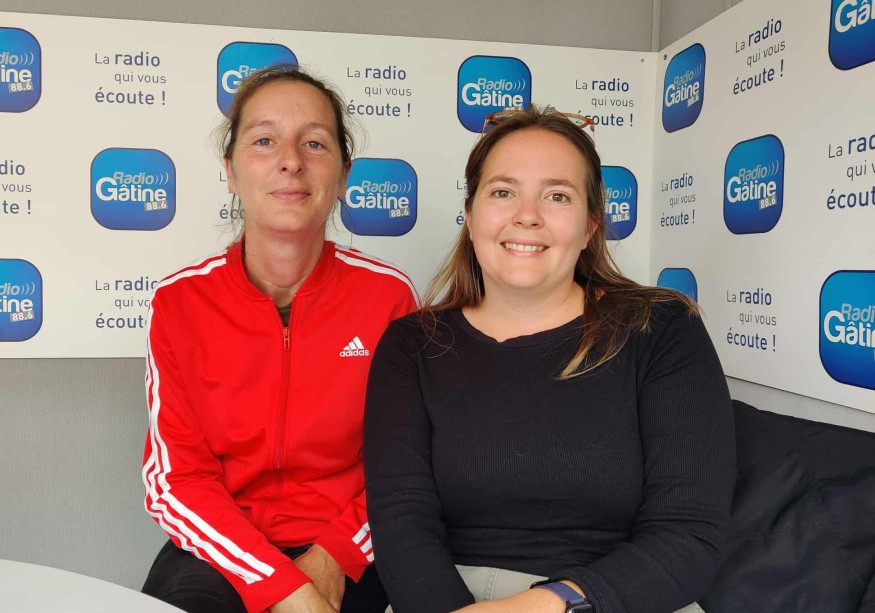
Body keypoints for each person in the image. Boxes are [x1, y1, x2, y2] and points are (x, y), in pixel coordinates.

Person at [363, 106, 736, 613]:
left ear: (590, 226)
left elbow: (689, 535)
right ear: (470, 216)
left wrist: (550, 604)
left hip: (610, 600)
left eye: (557, 195)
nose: (528, 215)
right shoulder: (412, 344)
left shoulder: (661, 330)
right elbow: (402, 524)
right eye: (503, 192)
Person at [141, 64, 418, 613]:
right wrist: (282, 585)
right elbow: (177, 479)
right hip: (221, 549)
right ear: (231, 170)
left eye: (314, 143)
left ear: (343, 175)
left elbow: (406, 466)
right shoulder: (178, 302)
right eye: (264, 140)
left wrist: (333, 559)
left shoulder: (389, 297)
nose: (291, 160)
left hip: (354, 549)